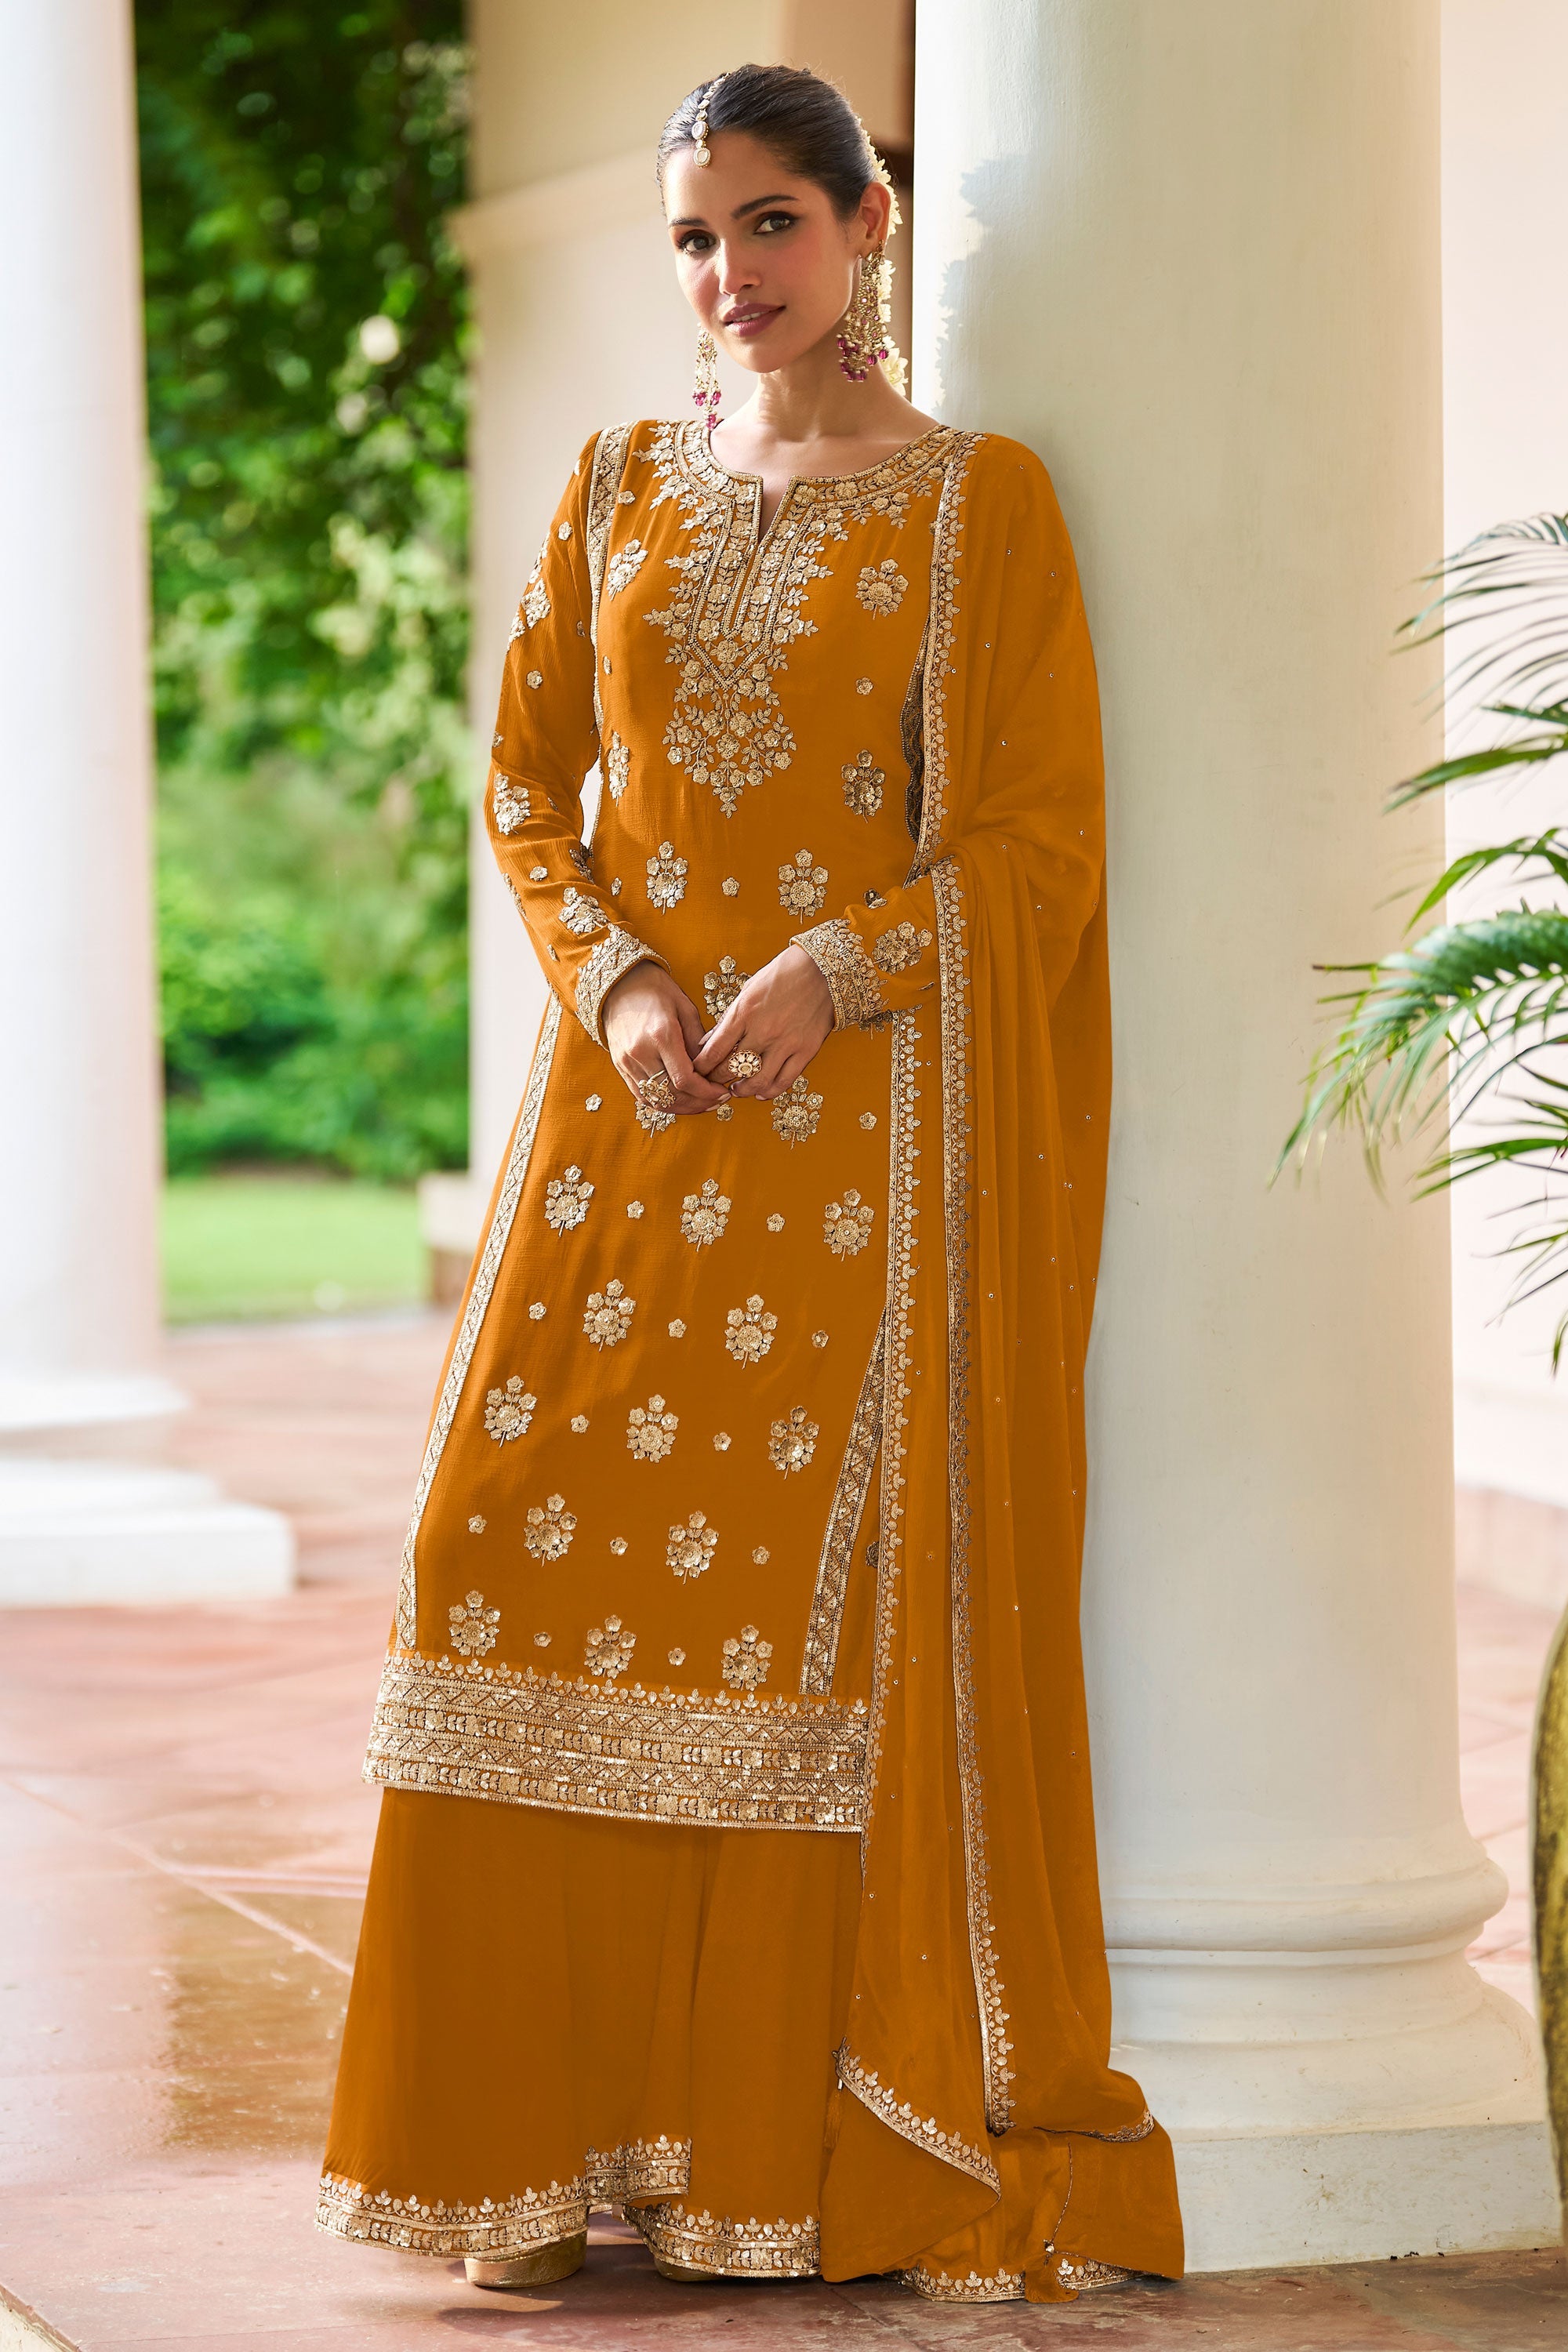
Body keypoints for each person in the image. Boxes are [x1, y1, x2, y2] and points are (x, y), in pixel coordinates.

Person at [318, 60, 1184, 2307]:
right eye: (697, 237)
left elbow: (1038, 840)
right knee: (486, 1557)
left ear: (869, 221)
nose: (732, 274)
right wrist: (612, 981)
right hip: (624, 1136)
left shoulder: (979, 507)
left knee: (785, 1639)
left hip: (844, 1169)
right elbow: (530, 788)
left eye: (774, 222)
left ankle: (744, 2167)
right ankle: (519, 2150)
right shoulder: (618, 484)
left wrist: (837, 967)